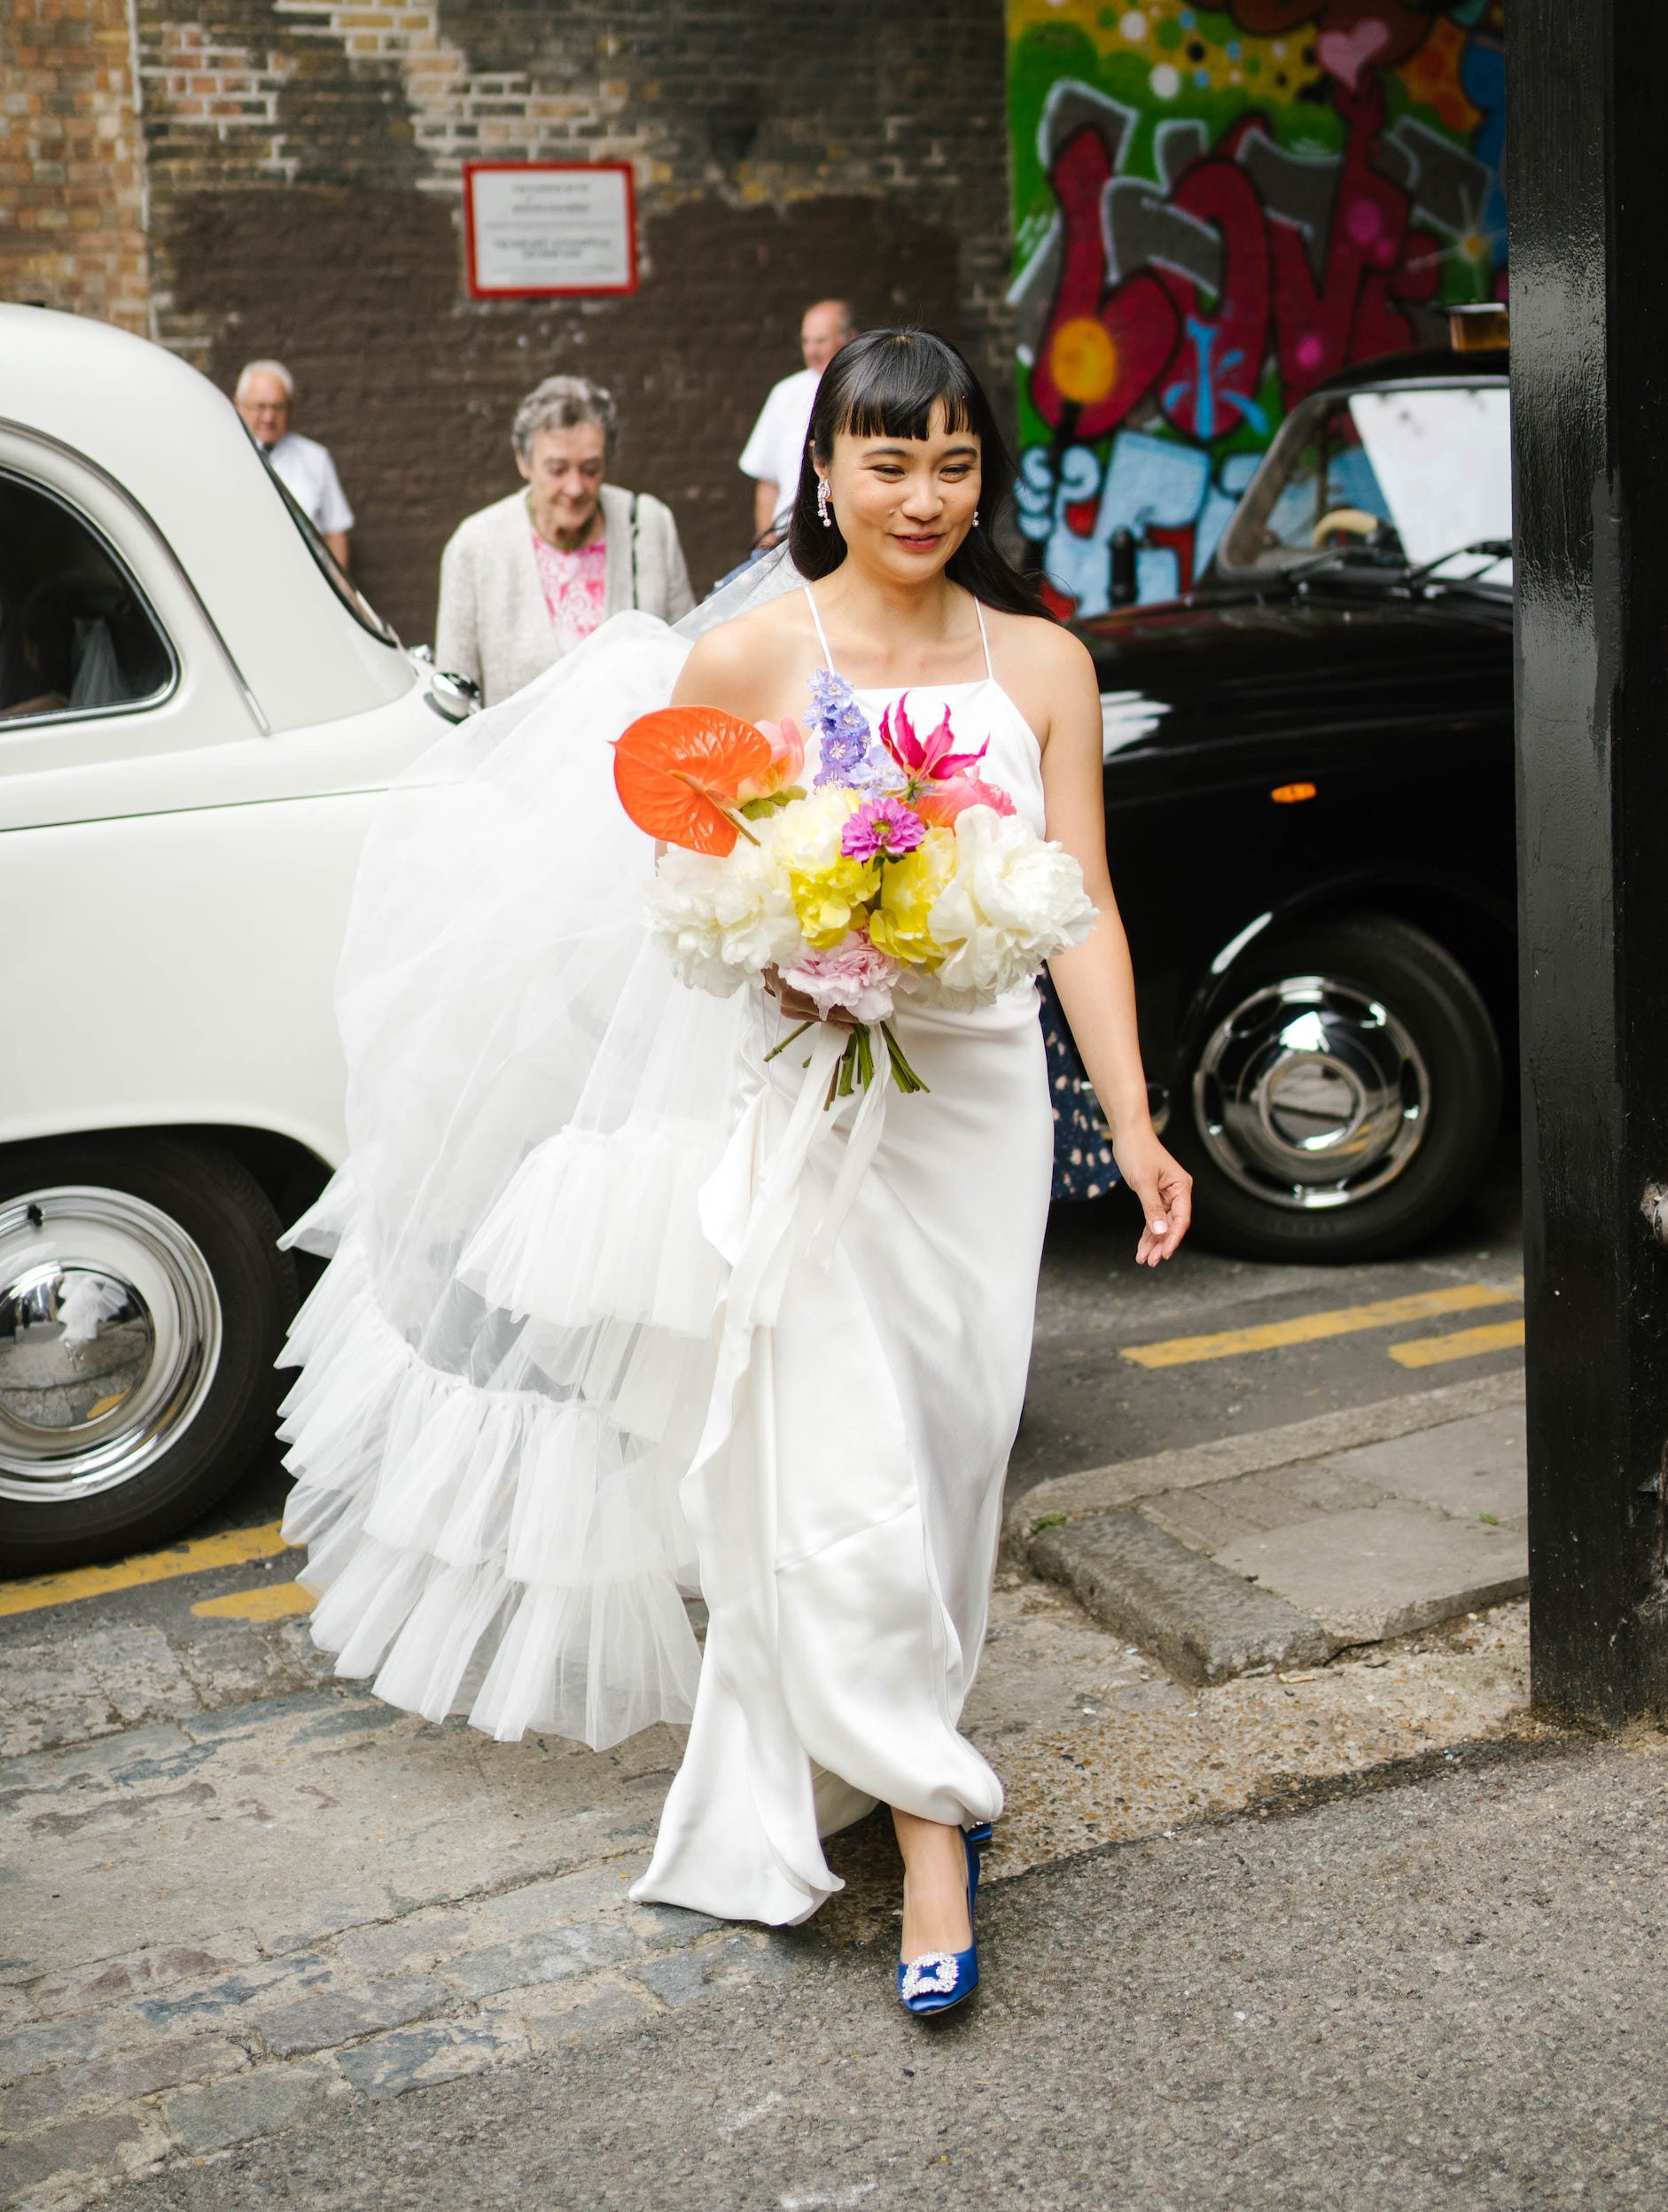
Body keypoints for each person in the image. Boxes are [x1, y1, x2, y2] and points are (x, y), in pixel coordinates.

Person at [276, 328, 1191, 2025]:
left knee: (946, 1464)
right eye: (888, 462)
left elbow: (1089, 913)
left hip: (979, 1117)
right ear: (820, 476)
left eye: (956, 464)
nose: (923, 496)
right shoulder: (754, 657)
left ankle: (882, 1737)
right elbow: (675, 899)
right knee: (840, 1467)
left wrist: (1131, 1122)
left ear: (987, 478)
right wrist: (785, 958)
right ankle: (934, 1830)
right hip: (817, 1118)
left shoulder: (1045, 666)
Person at [434, 373, 695, 706]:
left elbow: (686, 658)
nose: (575, 488)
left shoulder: (649, 526)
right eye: (557, 469)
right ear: (522, 460)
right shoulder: (475, 546)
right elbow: (454, 695)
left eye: (590, 469)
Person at [739, 298, 854, 541]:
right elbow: (768, 480)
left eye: (821, 341)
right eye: (806, 341)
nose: (811, 350)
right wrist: (764, 544)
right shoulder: (785, 393)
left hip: (849, 537)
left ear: (850, 338)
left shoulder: (869, 392)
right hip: (789, 538)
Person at [234, 361, 355, 568]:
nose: (269, 417)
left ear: (290, 408)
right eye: (260, 407)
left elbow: (336, 532)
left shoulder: (315, 458)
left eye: (277, 407)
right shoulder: (223, 457)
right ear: (238, 405)